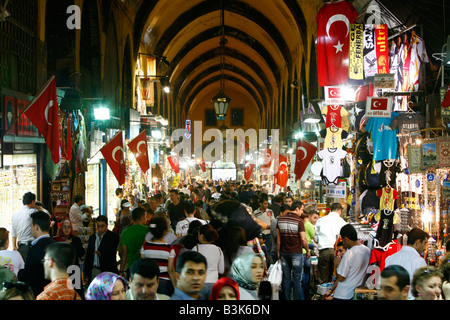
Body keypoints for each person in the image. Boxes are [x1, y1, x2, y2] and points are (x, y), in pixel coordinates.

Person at [324, 224, 371, 300]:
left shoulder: (349, 254)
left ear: (346, 239)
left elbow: (341, 278)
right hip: (354, 293)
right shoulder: (367, 250)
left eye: (343, 240)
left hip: (343, 294)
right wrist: (331, 290)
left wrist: (337, 265)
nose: (343, 243)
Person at [276, 200, 310, 300]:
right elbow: (303, 239)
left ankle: (286, 298)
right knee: (297, 278)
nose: (302, 212)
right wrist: (307, 250)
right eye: (302, 209)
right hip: (296, 252)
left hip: (284, 252)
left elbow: (279, 239)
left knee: (286, 278)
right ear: (297, 209)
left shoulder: (280, 219)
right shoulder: (299, 221)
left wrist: (278, 252)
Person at [17, 210, 56, 297]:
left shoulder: (35, 249)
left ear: (37, 227)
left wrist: (19, 273)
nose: (31, 229)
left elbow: (29, 277)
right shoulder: (56, 245)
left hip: (41, 295)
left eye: (31, 226)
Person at [384, 227, 429, 299]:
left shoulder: (390, 259)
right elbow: (423, 286)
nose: (424, 248)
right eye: (424, 243)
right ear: (417, 242)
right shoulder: (419, 261)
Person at [141, 216, 174, 296]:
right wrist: (175, 286)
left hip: (149, 282)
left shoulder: (145, 246)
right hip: (165, 282)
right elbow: (170, 270)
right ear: (165, 232)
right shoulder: (169, 248)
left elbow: (142, 265)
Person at [315, 202, 347, 284]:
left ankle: (323, 294)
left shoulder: (321, 220)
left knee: (323, 276)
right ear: (340, 210)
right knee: (334, 276)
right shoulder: (342, 222)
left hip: (324, 250)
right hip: (337, 252)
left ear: (330, 210)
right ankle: (331, 293)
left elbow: (316, 237)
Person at [52, 219, 85, 298]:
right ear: (61, 228)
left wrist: (70, 246)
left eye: (69, 227)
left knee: (76, 293)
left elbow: (81, 253)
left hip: (74, 270)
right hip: (61, 271)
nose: (67, 229)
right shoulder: (56, 240)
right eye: (64, 227)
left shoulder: (75, 240)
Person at [84, 215, 120, 284]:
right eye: (98, 226)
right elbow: (88, 255)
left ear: (106, 225)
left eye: (102, 226)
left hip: (107, 270)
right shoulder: (92, 237)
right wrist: (86, 272)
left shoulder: (113, 237)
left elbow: (112, 253)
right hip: (94, 269)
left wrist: (101, 254)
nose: (100, 229)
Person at [192, 224, 225, 299]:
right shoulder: (218, 250)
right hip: (214, 284)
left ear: (202, 236)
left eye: (198, 234)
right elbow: (221, 270)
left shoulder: (196, 248)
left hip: (199, 283)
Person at [119, 207, 149, 279]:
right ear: (142, 218)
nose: (146, 219)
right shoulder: (149, 231)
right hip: (145, 266)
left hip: (131, 267)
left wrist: (121, 270)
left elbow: (124, 254)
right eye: (145, 217)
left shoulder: (125, 233)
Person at [11, 192, 37, 261]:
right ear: (33, 201)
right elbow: (46, 215)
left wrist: (14, 246)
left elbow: (13, 233)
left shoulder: (15, 215)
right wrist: (39, 208)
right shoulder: (32, 212)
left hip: (20, 247)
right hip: (30, 247)